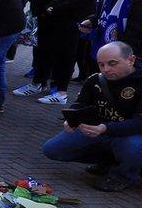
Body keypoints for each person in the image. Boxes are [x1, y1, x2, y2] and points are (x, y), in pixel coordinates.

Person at [42, 41, 142, 191]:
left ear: (131, 60)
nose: (106, 69)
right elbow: (80, 104)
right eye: (101, 64)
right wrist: (72, 119)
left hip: (129, 135)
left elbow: (139, 123)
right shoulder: (95, 79)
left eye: (112, 63)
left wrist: (105, 128)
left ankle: (123, 175)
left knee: (132, 146)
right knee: (52, 149)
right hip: (98, 131)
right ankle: (109, 161)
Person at [31, 0, 110, 104]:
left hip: (80, 20)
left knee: (69, 55)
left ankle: (62, 92)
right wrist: (55, 4)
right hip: (67, 17)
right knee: (59, 53)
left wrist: (57, 6)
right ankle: (55, 88)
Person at [12, 0, 64, 98]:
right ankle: (37, 72)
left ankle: (50, 80)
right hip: (37, 14)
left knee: (53, 50)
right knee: (38, 45)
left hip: (54, 17)